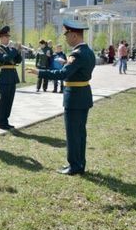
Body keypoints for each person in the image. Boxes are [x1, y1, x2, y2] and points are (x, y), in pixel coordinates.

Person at [27, 19, 96, 175]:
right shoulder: (88, 51)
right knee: (80, 132)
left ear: (73, 35)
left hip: (74, 98)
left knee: (73, 133)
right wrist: (68, 63)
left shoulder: (77, 54)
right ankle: (80, 164)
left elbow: (62, 74)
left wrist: (39, 72)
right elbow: (80, 70)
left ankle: (74, 166)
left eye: (67, 35)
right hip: (83, 95)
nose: (65, 39)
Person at [0, 26, 22, 130]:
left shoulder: (10, 49)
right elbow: (6, 59)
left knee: (10, 101)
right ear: (1, 37)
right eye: (6, 36)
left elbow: (18, 60)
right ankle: (1, 122)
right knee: (4, 101)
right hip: (4, 77)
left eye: (8, 36)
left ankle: (6, 121)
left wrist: (18, 50)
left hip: (12, 77)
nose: (8, 38)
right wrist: (14, 49)